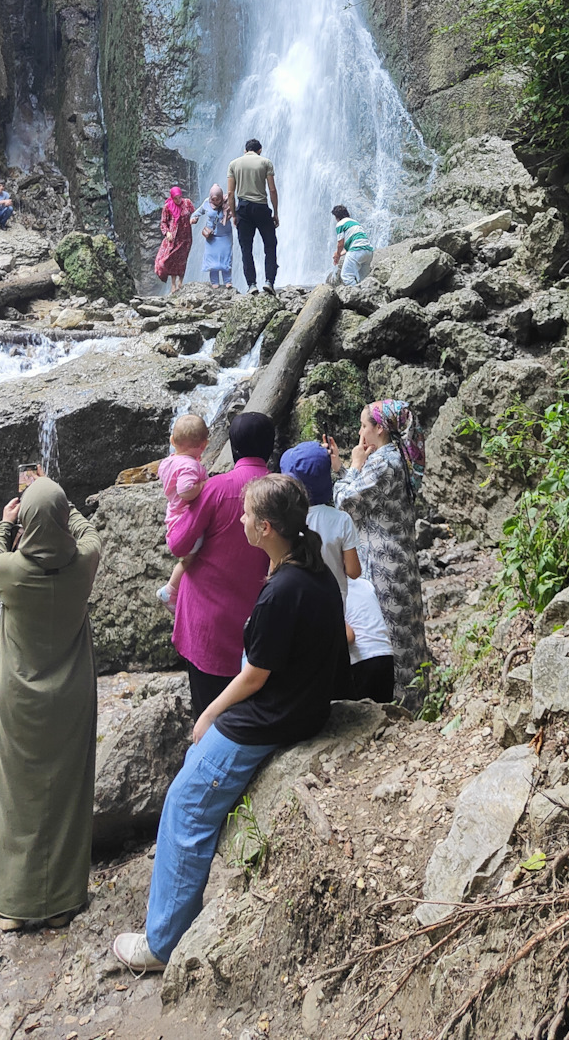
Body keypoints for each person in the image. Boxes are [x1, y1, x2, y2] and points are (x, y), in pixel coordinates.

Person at [113, 473, 348, 972]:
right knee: (192, 772)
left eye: (245, 515)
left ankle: (161, 944)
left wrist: (208, 714)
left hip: (273, 717)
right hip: (301, 705)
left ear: (265, 527)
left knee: (184, 804)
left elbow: (254, 676)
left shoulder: (281, 589)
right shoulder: (313, 569)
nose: (238, 519)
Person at [0, 478, 101, 931]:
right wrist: (65, 506)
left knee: (14, 797)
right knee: (65, 793)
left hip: (18, 701)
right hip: (70, 698)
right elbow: (90, 535)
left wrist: (4, 526)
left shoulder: (9, 571)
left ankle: (11, 905)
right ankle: (61, 902)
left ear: (27, 521)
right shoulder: (83, 563)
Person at [166, 411, 274, 717]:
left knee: (209, 717)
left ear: (232, 446)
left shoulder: (215, 489)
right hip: (260, 628)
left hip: (207, 629)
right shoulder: (280, 491)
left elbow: (178, 545)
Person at [332, 401, 430, 711]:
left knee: (392, 634)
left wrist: (354, 465)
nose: (360, 432)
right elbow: (364, 495)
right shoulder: (394, 456)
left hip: (383, 561)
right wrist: (343, 468)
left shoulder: (381, 462)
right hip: (399, 558)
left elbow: (345, 504)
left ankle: (401, 706)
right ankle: (418, 700)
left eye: (364, 426)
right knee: (407, 631)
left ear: (379, 429)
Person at [279, 439, 361, 601]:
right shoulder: (341, 519)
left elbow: (275, 569)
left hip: (297, 601)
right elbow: (354, 571)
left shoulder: (284, 519)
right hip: (334, 605)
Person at [156, 414, 210, 610]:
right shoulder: (189, 465)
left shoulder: (168, 462)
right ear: (204, 445)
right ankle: (169, 591)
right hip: (185, 520)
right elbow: (185, 490)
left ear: (172, 441)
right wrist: (203, 485)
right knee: (189, 560)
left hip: (173, 515)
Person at [227, 140, 278, 296]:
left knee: (246, 249)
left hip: (243, 208)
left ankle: (251, 285)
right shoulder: (265, 162)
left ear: (245, 150)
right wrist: (275, 213)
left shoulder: (234, 164)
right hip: (261, 207)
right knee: (270, 245)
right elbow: (272, 189)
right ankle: (269, 281)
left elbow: (230, 193)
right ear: (260, 150)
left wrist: (234, 215)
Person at [345, 575, 395, 704]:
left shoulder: (336, 591)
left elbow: (349, 637)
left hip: (361, 659)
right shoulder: (365, 584)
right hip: (385, 654)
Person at [154, 184, 196, 293]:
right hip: (174, 238)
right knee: (172, 259)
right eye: (175, 198)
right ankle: (172, 284)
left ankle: (180, 283)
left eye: (179, 197)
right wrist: (167, 232)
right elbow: (163, 222)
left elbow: (195, 213)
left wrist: (195, 218)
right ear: (172, 198)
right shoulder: (167, 207)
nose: (178, 200)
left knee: (182, 260)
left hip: (186, 237)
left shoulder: (187, 203)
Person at [192, 182, 233, 288]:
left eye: (217, 199)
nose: (215, 201)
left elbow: (236, 212)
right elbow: (197, 212)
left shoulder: (227, 202)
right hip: (212, 236)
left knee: (226, 257)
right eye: (213, 199)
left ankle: (227, 280)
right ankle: (214, 281)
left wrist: (232, 214)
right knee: (212, 259)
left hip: (225, 235)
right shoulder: (207, 203)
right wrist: (194, 218)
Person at [331, 203, 374, 286]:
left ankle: (356, 296)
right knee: (363, 280)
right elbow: (351, 245)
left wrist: (337, 255)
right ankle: (366, 295)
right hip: (368, 252)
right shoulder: (355, 223)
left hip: (357, 251)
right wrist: (340, 254)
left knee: (346, 276)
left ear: (337, 217)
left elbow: (340, 244)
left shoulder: (340, 224)